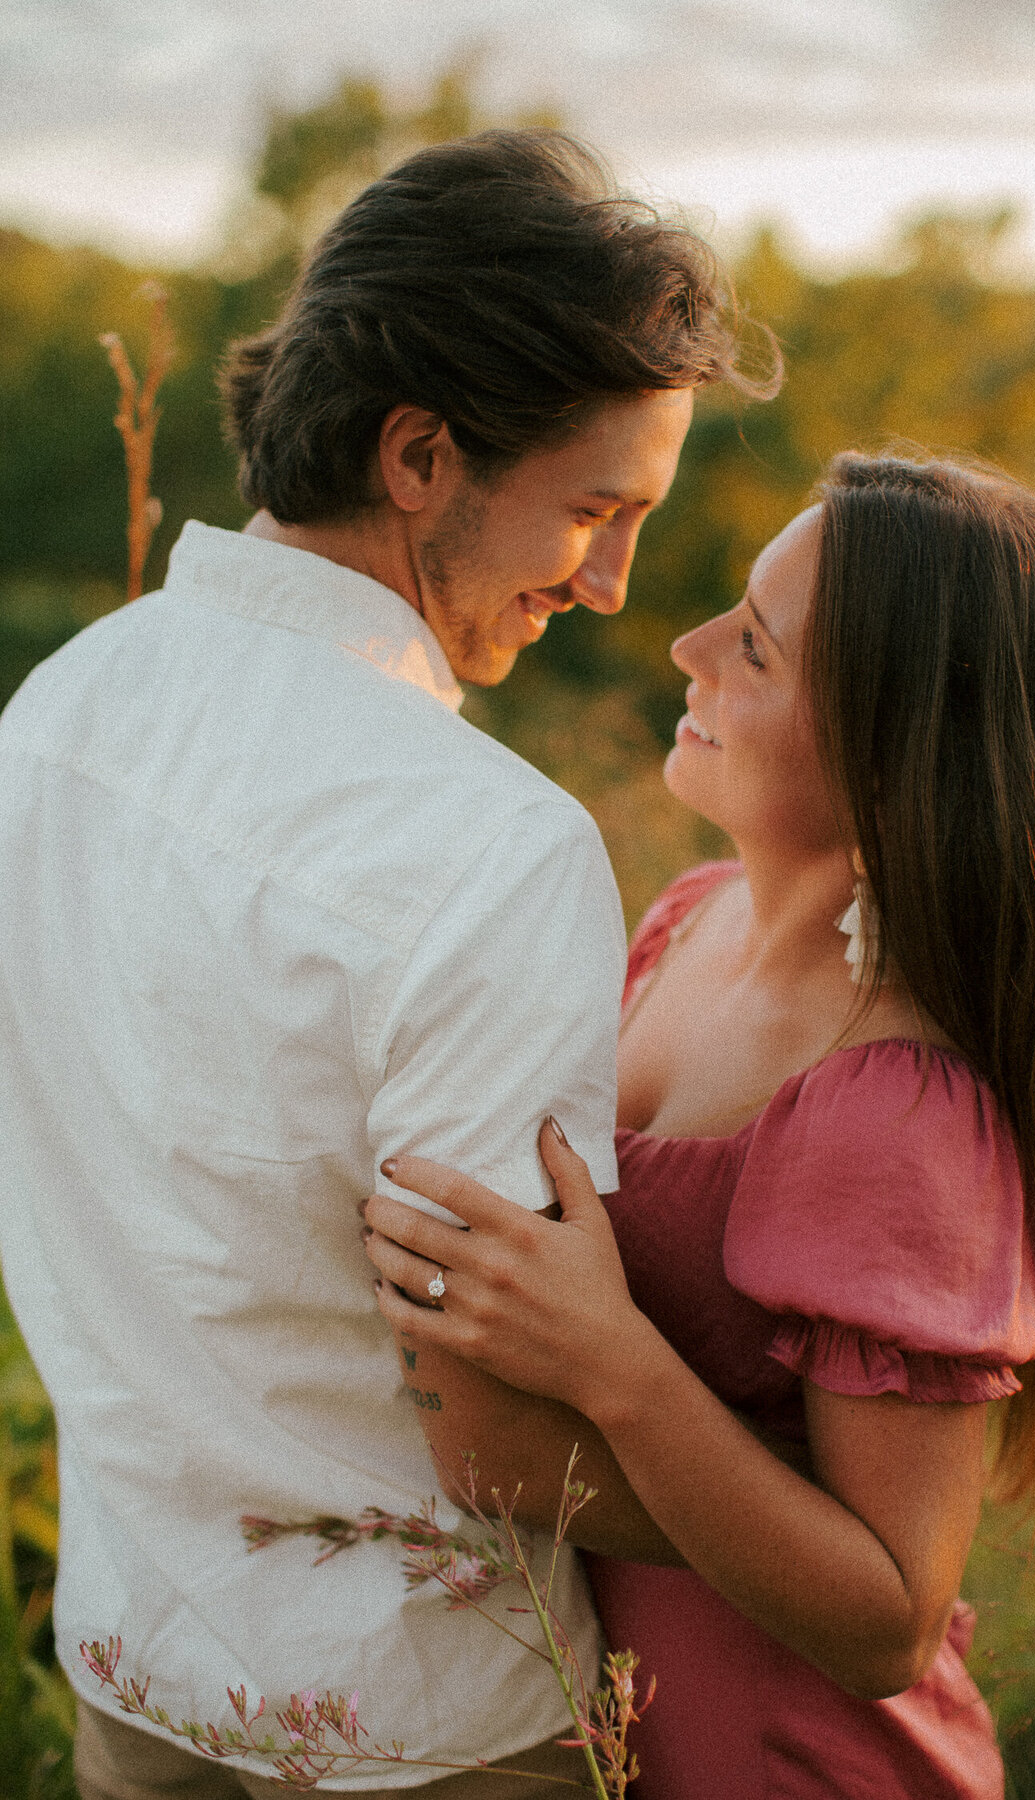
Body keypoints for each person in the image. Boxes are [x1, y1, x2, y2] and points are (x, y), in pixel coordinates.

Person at [0, 130, 773, 1798]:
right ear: (419, 453)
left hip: (135, 1672)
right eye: (592, 508)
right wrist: (810, 1528)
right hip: (426, 1731)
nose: (617, 584)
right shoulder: (489, 845)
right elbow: (495, 1435)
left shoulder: (53, 714)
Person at [363, 452, 1035, 1800]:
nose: (688, 644)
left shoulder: (891, 1112)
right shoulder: (687, 919)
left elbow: (888, 1618)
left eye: (751, 645)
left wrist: (608, 1358)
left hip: (794, 1766)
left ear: (891, 754)